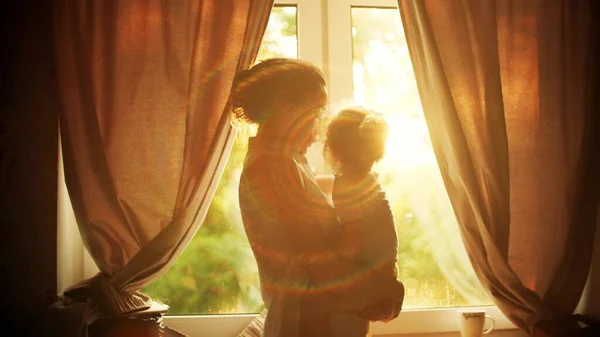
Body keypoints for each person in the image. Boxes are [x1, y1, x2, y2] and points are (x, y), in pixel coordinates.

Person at [232, 58, 404, 337]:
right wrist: (387, 290)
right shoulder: (272, 167)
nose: (320, 126)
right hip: (308, 325)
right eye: (314, 113)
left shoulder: (289, 163)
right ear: (283, 108)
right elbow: (321, 269)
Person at [324, 107, 403, 336]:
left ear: (334, 150)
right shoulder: (367, 180)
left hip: (364, 279)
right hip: (382, 276)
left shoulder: (345, 184)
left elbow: (354, 232)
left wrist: (333, 266)